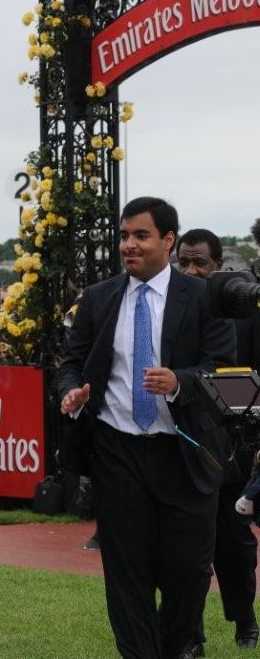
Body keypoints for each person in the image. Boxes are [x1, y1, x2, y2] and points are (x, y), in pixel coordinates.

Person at [58, 198, 235, 659]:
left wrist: (181, 382)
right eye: (124, 236)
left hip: (184, 453)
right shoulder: (99, 297)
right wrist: (73, 390)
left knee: (188, 572)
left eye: (140, 235)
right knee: (125, 574)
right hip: (118, 452)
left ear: (168, 241)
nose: (129, 245)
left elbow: (223, 369)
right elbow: (72, 363)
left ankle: (179, 645)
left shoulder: (203, 298)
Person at [176, 228, 259, 650]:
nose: (192, 271)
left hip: (231, 448)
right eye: (184, 263)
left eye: (200, 264)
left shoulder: (246, 309)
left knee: (234, 541)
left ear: (219, 267)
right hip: (181, 444)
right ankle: (191, 635)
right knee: (187, 548)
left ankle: (245, 619)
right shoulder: (167, 308)